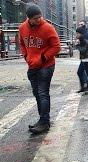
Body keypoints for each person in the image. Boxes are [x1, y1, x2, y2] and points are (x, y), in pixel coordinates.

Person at [19, 4, 61, 134]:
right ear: (29, 18)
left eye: (40, 17)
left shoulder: (48, 28)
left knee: (42, 93)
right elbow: (21, 43)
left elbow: (56, 46)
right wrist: (26, 56)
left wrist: (43, 58)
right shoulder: (22, 28)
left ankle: (44, 122)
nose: (39, 20)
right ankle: (43, 119)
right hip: (32, 66)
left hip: (46, 66)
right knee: (37, 93)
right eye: (36, 18)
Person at [76, 26, 88, 94]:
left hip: (87, 59)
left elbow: (83, 50)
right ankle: (84, 87)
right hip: (86, 59)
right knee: (80, 72)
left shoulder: (83, 40)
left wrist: (78, 46)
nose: (76, 35)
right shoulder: (86, 40)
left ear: (81, 34)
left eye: (77, 33)